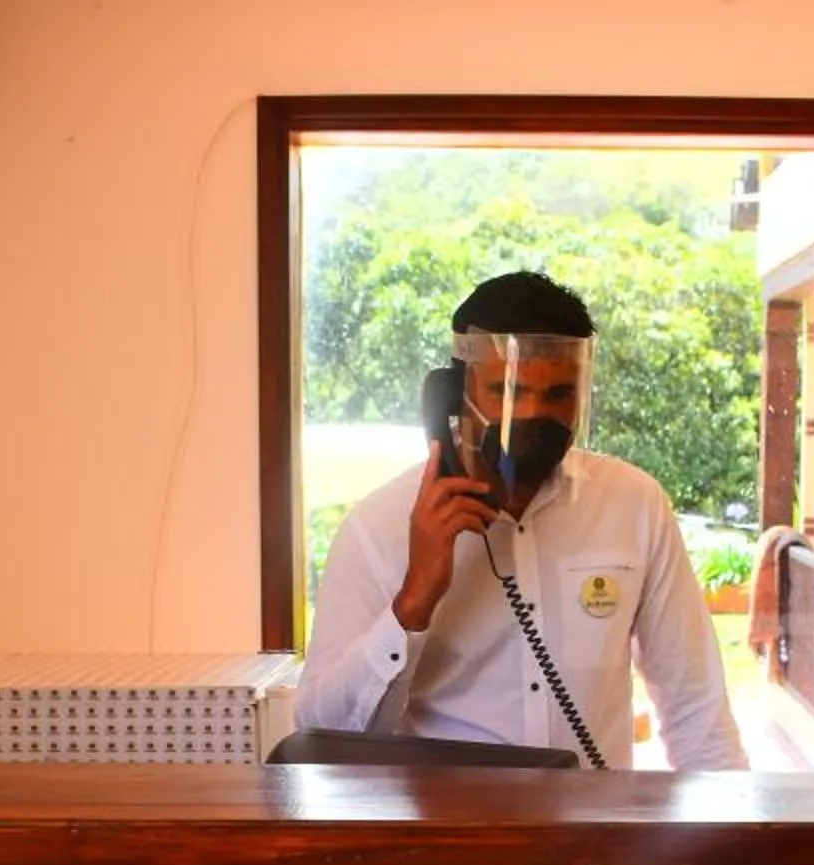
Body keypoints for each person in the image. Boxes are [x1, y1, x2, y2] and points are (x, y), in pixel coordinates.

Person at [296, 271, 749, 771]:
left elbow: (697, 708)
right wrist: (413, 601)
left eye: (558, 394)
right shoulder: (378, 526)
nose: (532, 414)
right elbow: (322, 734)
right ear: (452, 395)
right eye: (507, 391)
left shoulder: (634, 504)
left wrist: (732, 844)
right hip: (449, 837)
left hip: (591, 837)